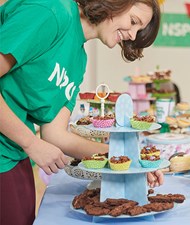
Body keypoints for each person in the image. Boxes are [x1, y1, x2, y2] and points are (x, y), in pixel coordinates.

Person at [0, 0, 162, 224]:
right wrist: (31, 143)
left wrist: (130, 162)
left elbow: (55, 134)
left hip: (13, 154)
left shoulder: (78, 59)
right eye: (133, 22)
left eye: (138, 30)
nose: (133, 36)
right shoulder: (52, 11)